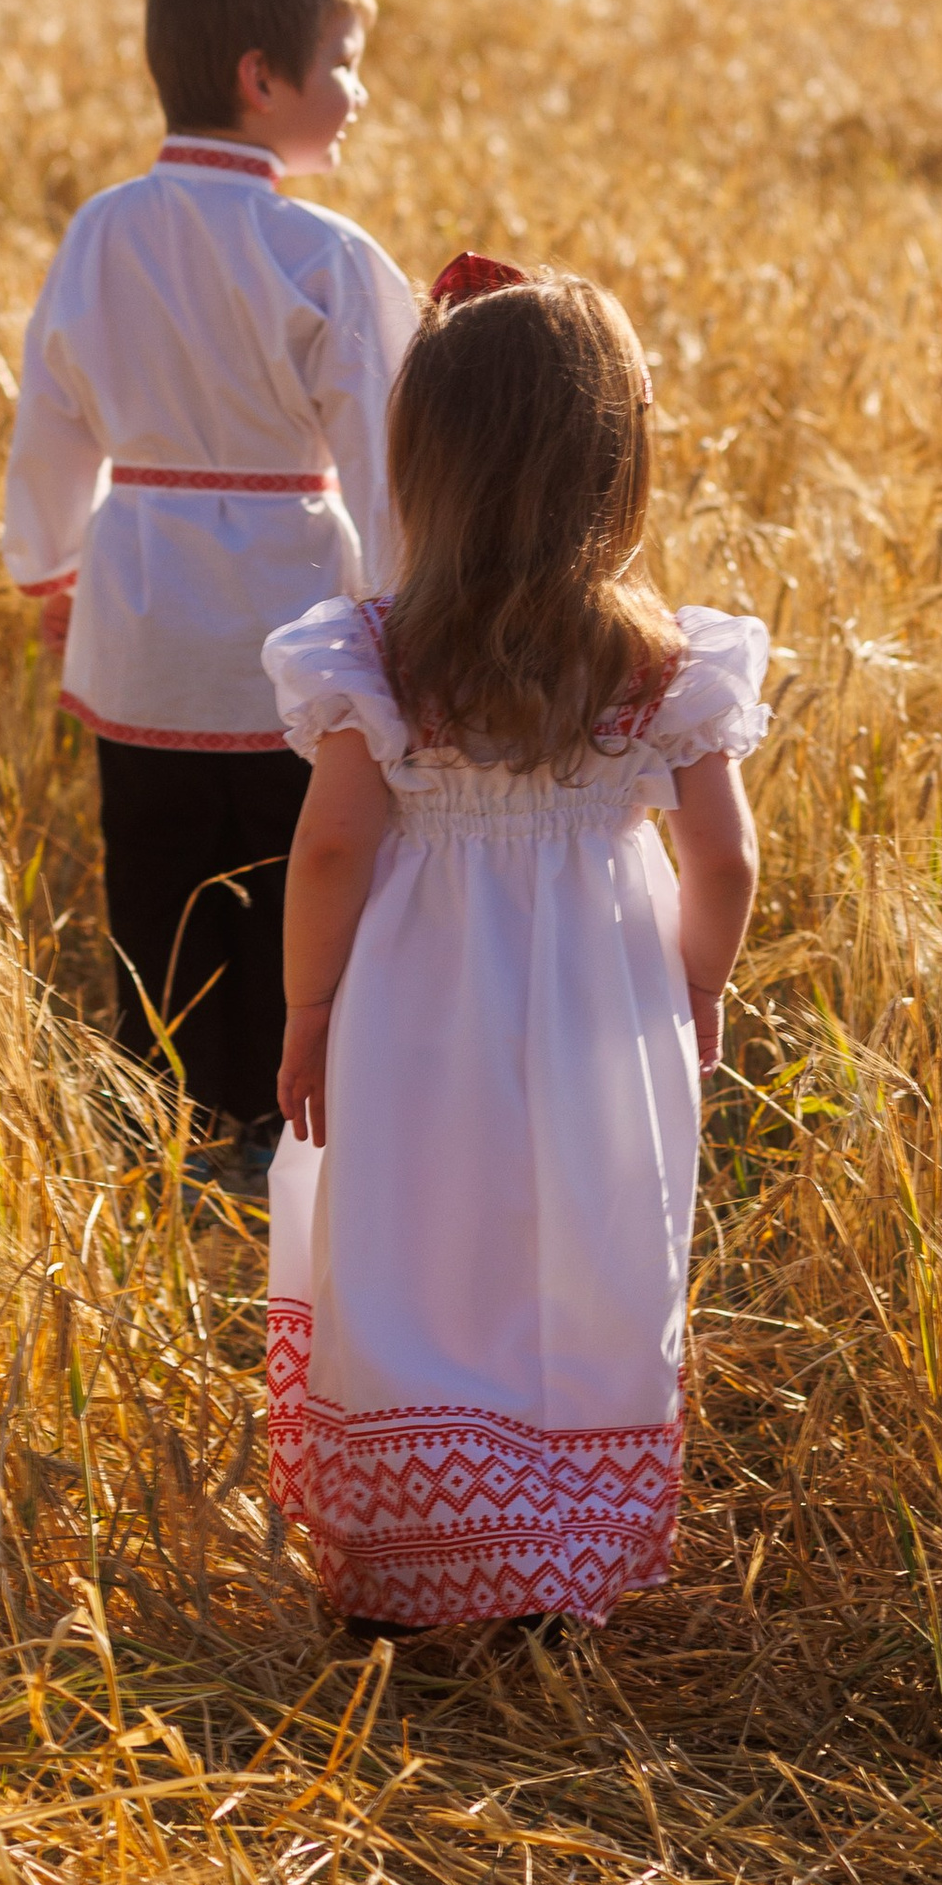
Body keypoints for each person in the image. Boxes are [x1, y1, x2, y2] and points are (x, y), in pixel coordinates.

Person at [261, 261, 763, 1635]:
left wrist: (309, 1010)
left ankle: (408, 1569)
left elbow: (330, 850)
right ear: (617, 466)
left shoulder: (381, 658)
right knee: (589, 1243)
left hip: (420, 1004)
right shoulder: (663, 666)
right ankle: (558, 1567)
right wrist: (698, 985)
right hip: (608, 1006)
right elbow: (725, 857)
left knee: (416, 1240)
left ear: (425, 466)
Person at [3, 0, 419, 1146]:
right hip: (294, 612)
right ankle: (287, 1124)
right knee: (296, 883)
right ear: (261, 77)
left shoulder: (101, 230)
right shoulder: (325, 255)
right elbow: (385, 466)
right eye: (344, 61)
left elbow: (51, 415)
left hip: (135, 610)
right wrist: (399, 612)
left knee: (157, 885)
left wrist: (50, 566)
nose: (357, 91)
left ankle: (163, 1121)